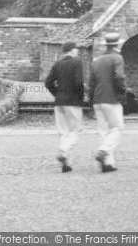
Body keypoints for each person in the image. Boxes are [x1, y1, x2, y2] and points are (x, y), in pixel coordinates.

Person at [89, 32, 127, 173]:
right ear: (117, 45)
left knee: (104, 131)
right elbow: (119, 77)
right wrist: (122, 92)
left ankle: (108, 164)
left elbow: (91, 83)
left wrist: (91, 101)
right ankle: (103, 151)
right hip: (111, 99)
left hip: (97, 100)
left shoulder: (97, 61)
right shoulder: (117, 58)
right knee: (117, 128)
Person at [45, 41, 84, 173]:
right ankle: (63, 151)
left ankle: (65, 163)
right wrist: (81, 97)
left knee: (63, 132)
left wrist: (57, 94)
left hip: (59, 102)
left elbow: (48, 82)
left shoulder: (57, 64)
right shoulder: (77, 62)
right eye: (76, 49)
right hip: (73, 102)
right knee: (75, 131)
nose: (77, 51)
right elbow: (79, 82)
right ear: (72, 50)